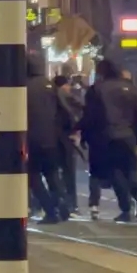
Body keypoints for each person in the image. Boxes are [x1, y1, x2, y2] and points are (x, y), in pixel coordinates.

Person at [78, 60, 137, 222]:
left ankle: (126, 208)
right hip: (129, 135)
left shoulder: (97, 89)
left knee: (115, 171)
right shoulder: (132, 88)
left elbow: (89, 116)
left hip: (106, 136)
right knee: (131, 168)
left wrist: (84, 136)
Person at [26, 54, 70, 224]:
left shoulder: (22, 87)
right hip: (51, 138)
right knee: (52, 174)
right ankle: (63, 204)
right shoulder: (51, 86)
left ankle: (50, 210)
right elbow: (65, 111)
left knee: (33, 177)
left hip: (30, 138)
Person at [54, 75, 82, 215]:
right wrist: (75, 129)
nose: (69, 88)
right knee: (68, 171)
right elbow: (77, 110)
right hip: (65, 138)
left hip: (54, 138)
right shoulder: (64, 97)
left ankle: (61, 202)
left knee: (55, 171)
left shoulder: (51, 96)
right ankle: (71, 203)